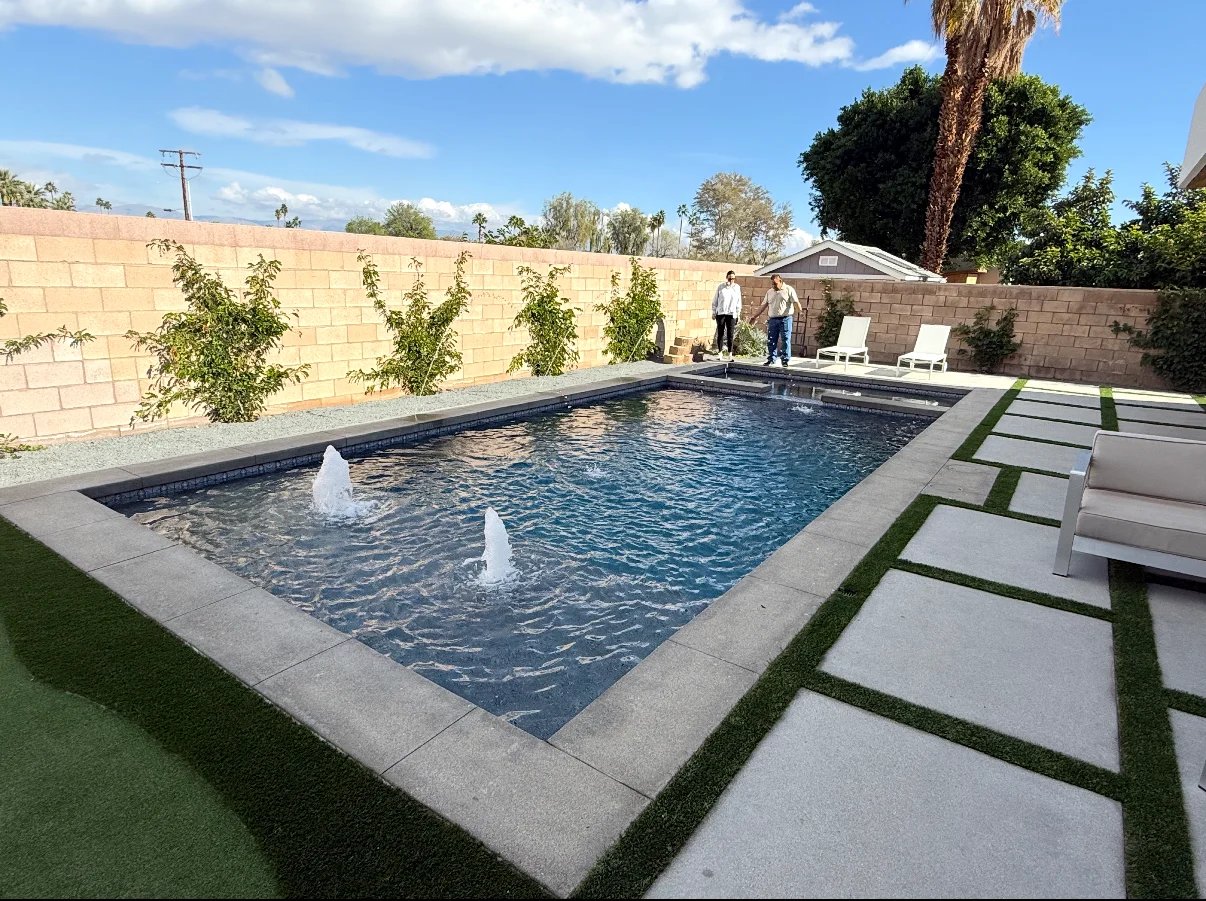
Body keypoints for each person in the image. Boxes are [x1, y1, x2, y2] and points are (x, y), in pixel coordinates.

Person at [748, 273, 802, 366]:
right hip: (773, 319)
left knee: (785, 339)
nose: (773, 286)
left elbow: (796, 302)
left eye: (775, 284)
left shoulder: (789, 289)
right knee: (771, 339)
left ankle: (785, 360)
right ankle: (771, 358)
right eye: (772, 284)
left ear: (780, 281)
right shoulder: (770, 292)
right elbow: (763, 306)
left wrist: (800, 312)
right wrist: (754, 316)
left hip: (785, 319)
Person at [711, 270, 741, 361]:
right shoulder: (721, 287)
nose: (731, 280)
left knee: (730, 334)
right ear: (726, 277)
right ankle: (720, 353)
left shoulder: (737, 288)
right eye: (730, 278)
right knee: (720, 333)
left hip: (731, 314)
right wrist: (713, 311)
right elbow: (715, 299)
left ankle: (730, 354)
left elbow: (739, 302)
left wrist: (738, 313)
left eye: (733, 278)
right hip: (721, 313)